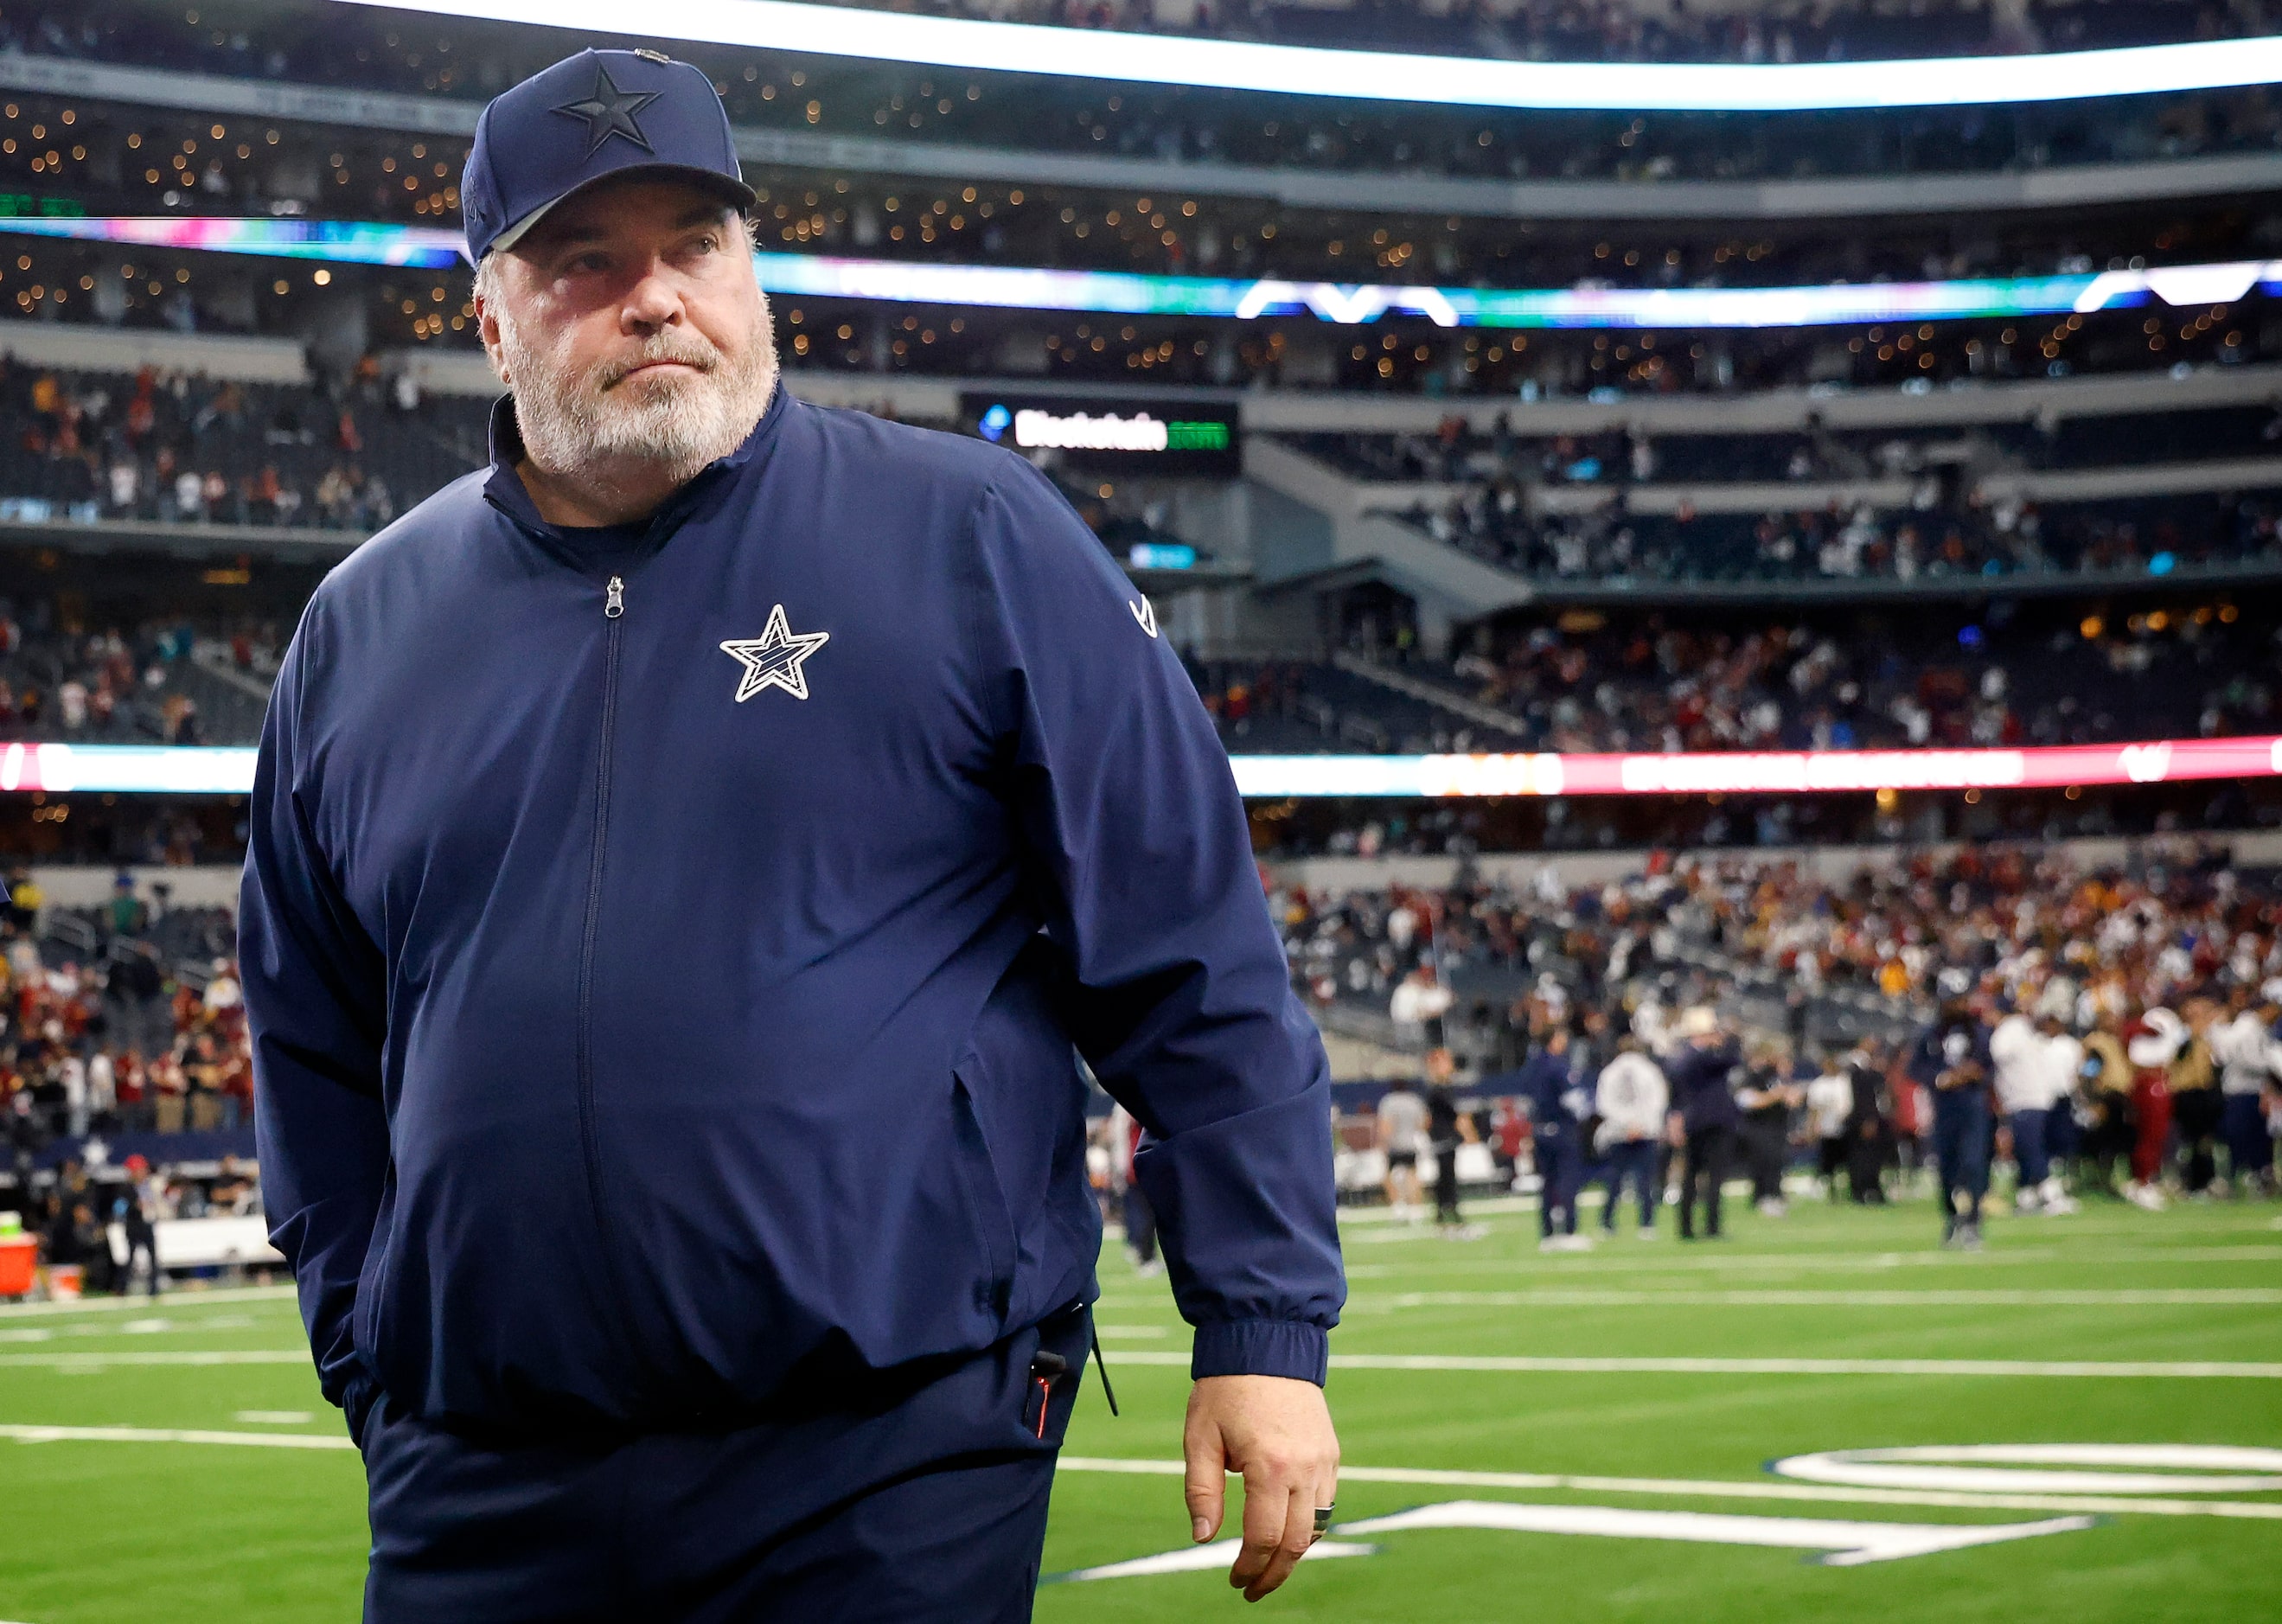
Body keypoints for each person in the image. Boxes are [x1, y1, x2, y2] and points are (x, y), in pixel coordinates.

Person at [242, 51, 1340, 1623]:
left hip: (887, 1441)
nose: (655, 298)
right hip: (480, 1465)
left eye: (695, 245)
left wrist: (1259, 1323)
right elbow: (313, 1042)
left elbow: (1191, 953)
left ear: (753, 275)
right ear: (490, 317)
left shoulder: (969, 533)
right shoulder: (358, 630)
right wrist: (375, 1359)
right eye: (584, 263)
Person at [1909, 990, 1994, 1250]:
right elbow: (1915, 1068)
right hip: (1945, 1108)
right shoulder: (1931, 1035)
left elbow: (1991, 1068)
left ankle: (1973, 1220)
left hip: (1973, 1107)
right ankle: (1952, 1217)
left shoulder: (1979, 1033)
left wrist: (1974, 1074)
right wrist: (1941, 1079)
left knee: (1974, 1164)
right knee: (1946, 1167)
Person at [1989, 1003, 2078, 1215]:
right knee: (2029, 1149)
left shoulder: (2020, 1031)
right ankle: (2039, 1196)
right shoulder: (2018, 1028)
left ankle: (2040, 1197)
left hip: (2031, 1099)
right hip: (2028, 1098)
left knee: (2032, 1149)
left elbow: (2000, 1054)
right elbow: (2001, 1054)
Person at [1509, 1027, 1590, 1250]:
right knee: (1567, 1180)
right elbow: (1573, 1100)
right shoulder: (1558, 1066)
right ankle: (1568, 1230)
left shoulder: (1531, 1067)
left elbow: (1524, 1100)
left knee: (1547, 1182)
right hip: (1561, 1128)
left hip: (1540, 1129)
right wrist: (1584, 1115)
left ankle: (1547, 1232)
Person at [1665, 1007, 1742, 1242]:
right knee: (1713, 1176)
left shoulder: (1683, 1058)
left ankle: (1687, 1227)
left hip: (1695, 1121)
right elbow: (1732, 1060)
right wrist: (1732, 1038)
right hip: (1711, 1122)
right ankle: (1711, 1226)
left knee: (1692, 1175)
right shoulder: (1700, 1057)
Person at [1592, 1033, 1667, 1237]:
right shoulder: (1650, 1070)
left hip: (1618, 1133)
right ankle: (1647, 1224)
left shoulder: (1609, 1072)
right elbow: (1658, 1101)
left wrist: (1626, 1124)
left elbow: (1604, 1105)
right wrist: (1640, 1124)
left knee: (1615, 1181)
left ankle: (1607, 1222)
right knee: (1646, 1181)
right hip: (1645, 1132)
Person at [2211, 988, 2279, 1195]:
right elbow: (2246, 1060)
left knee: (2257, 1139)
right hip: (2240, 1092)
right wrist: (2270, 1062)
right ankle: (2237, 1180)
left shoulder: (2255, 1028)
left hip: (2251, 1091)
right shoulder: (2248, 1028)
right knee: (2242, 1140)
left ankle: (2254, 1179)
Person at [1422, 1047, 1483, 1239]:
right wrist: (1468, 1131)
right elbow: (1453, 1113)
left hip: (1446, 1137)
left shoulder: (1443, 1088)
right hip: (1443, 1137)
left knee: (1447, 1176)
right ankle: (1448, 1212)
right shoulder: (1438, 1089)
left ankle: (1445, 1212)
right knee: (1446, 1177)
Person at [1802, 1052, 1853, 1201]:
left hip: (1844, 1127)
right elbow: (1813, 1109)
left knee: (1845, 1161)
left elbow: (1848, 1105)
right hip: (1826, 1129)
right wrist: (1810, 1128)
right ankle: (1830, 1190)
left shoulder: (1844, 1082)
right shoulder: (1818, 1085)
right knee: (1827, 1161)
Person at [1377, 1076, 1428, 1222]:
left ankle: (1398, 1206)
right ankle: (1416, 1208)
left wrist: (1384, 1143)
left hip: (1395, 1144)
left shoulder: (1388, 1102)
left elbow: (1386, 1125)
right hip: (1411, 1143)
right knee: (1413, 1176)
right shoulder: (1414, 1101)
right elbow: (1423, 1122)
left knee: (1386, 1176)